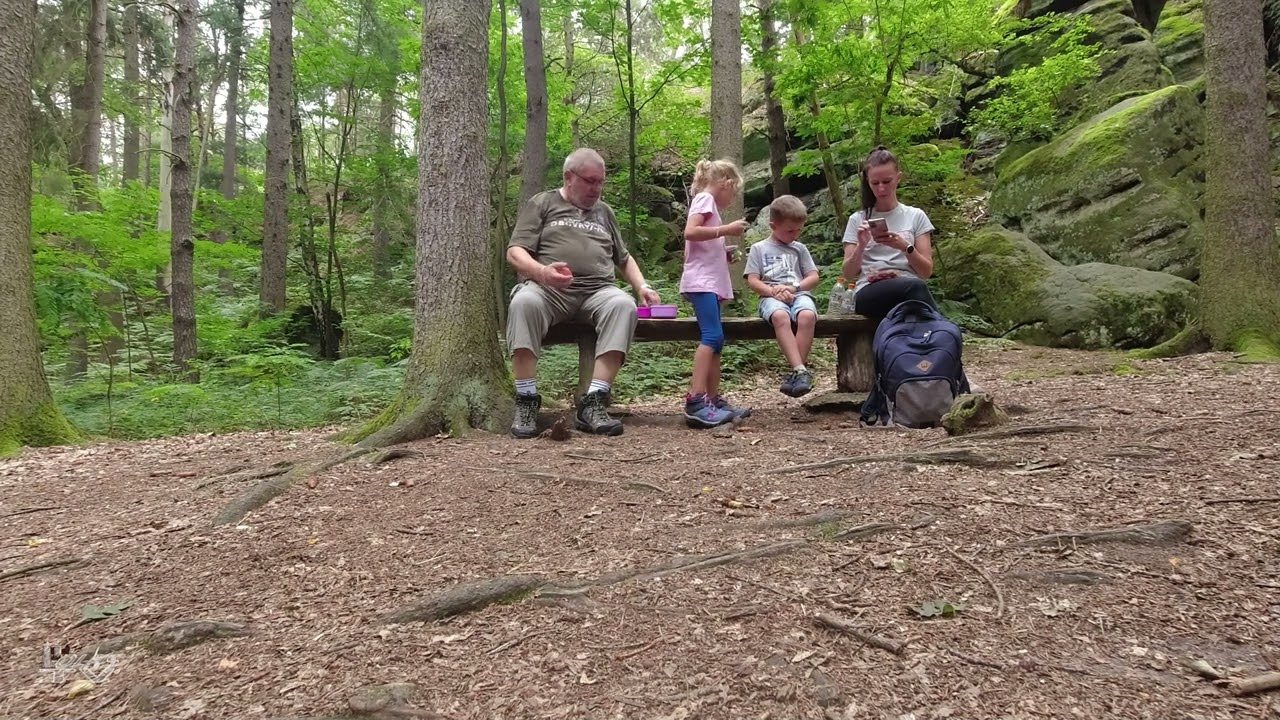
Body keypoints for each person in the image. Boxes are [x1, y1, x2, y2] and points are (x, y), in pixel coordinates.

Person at [505, 148, 662, 439]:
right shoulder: (543, 203)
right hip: (549, 291)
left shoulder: (605, 212)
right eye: (590, 181)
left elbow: (624, 258)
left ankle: (593, 403)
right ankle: (526, 400)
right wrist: (542, 272)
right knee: (523, 302)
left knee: (623, 304)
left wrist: (642, 286)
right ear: (569, 177)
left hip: (597, 291)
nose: (596, 188)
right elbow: (515, 252)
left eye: (600, 182)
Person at [679, 159, 751, 428]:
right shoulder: (705, 200)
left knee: (716, 340)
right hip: (702, 283)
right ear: (725, 183)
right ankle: (696, 400)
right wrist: (726, 230)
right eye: (733, 192)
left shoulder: (708, 203)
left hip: (710, 281)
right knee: (711, 336)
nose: (731, 198)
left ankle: (712, 399)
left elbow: (702, 243)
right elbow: (691, 232)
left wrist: (722, 251)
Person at [840, 146, 937, 321]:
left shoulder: (916, 216)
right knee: (915, 289)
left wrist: (904, 247)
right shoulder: (857, 219)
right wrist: (861, 246)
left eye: (886, 181)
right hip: (868, 290)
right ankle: (941, 329)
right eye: (875, 183)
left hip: (908, 286)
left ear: (898, 178)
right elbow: (848, 274)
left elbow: (925, 272)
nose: (881, 189)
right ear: (867, 182)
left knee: (913, 293)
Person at [744, 195, 821, 397]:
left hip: (798, 293)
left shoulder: (799, 249)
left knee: (807, 316)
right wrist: (773, 291)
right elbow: (753, 280)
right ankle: (800, 371)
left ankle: (797, 372)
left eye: (798, 230)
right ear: (773, 225)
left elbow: (813, 276)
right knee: (780, 317)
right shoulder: (759, 248)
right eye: (790, 231)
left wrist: (795, 287)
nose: (795, 235)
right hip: (770, 296)